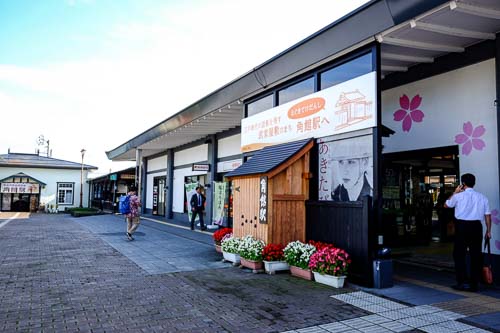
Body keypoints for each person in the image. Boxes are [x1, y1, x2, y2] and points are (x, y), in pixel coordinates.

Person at [445, 173, 492, 292]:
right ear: (474, 183)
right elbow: (488, 216)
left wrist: (455, 192)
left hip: (462, 227)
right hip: (476, 227)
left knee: (459, 254)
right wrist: (488, 231)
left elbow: (446, 205)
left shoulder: (458, 196)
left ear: (463, 184)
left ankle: (462, 282)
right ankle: (474, 284)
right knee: (476, 255)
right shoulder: (482, 197)